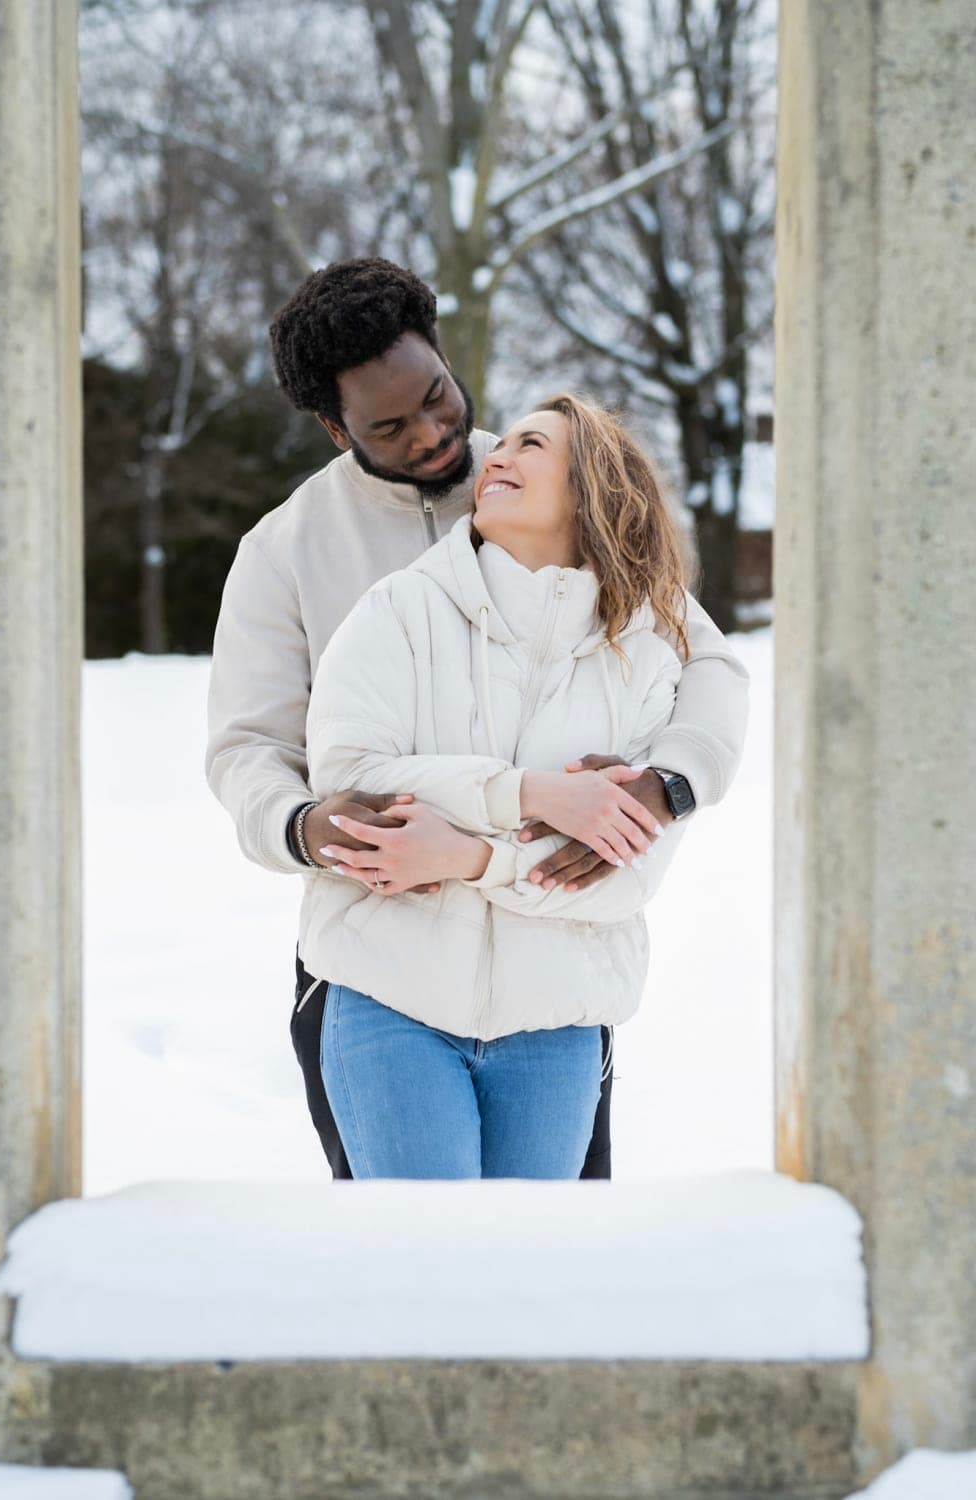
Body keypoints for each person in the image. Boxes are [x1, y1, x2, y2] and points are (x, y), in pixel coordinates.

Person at [205, 258, 749, 1178]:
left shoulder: (545, 481)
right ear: (338, 430)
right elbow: (247, 748)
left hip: (548, 965)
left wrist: (665, 786)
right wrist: (301, 824)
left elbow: (706, 662)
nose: (431, 436)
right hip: (383, 956)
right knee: (411, 1261)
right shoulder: (286, 550)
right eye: (389, 425)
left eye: (438, 397)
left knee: (546, 1265)